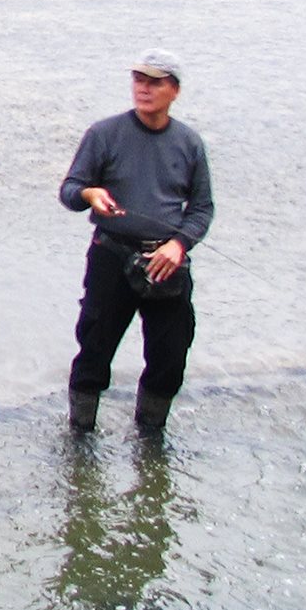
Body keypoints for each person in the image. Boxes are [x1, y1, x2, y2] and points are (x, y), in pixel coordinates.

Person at [58, 49, 214, 437]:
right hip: (112, 256)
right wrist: (91, 195)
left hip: (167, 262)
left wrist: (179, 245)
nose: (144, 89)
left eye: (155, 82)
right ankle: (80, 438)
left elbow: (201, 208)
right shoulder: (103, 134)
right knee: (94, 350)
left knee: (170, 357)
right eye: (139, 80)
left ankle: (151, 436)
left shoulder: (190, 143)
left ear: (174, 91)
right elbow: (70, 190)